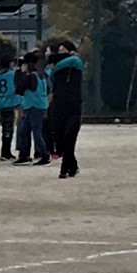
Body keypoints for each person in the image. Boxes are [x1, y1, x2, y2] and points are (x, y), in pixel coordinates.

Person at [48, 40, 84, 179]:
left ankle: (64, 169)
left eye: (64, 51)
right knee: (61, 139)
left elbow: (75, 61)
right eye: (59, 52)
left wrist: (56, 63)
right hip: (58, 105)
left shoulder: (75, 63)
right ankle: (73, 166)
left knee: (70, 137)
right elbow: (50, 76)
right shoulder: (55, 69)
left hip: (73, 105)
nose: (61, 54)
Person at [13, 52, 50, 166]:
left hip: (34, 106)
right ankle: (24, 155)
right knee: (23, 131)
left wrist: (22, 74)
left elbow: (21, 89)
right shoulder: (41, 75)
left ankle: (45, 156)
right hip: (34, 106)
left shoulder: (31, 76)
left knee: (36, 133)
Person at [0, 55, 22, 160]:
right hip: (12, 103)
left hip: (1, 103)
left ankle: (5, 151)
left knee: (5, 128)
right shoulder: (12, 74)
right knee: (9, 129)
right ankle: (5, 152)